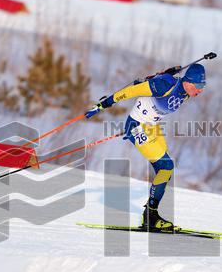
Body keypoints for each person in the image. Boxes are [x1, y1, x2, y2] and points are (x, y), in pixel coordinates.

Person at [84, 63, 208, 233]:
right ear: (188, 81)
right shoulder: (164, 85)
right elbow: (131, 91)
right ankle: (150, 217)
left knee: (165, 170)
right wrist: (104, 104)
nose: (200, 90)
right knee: (166, 166)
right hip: (138, 126)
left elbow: (167, 81)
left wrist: (166, 73)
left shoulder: (185, 92)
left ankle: (151, 215)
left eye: (203, 86)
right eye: (199, 85)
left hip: (152, 127)